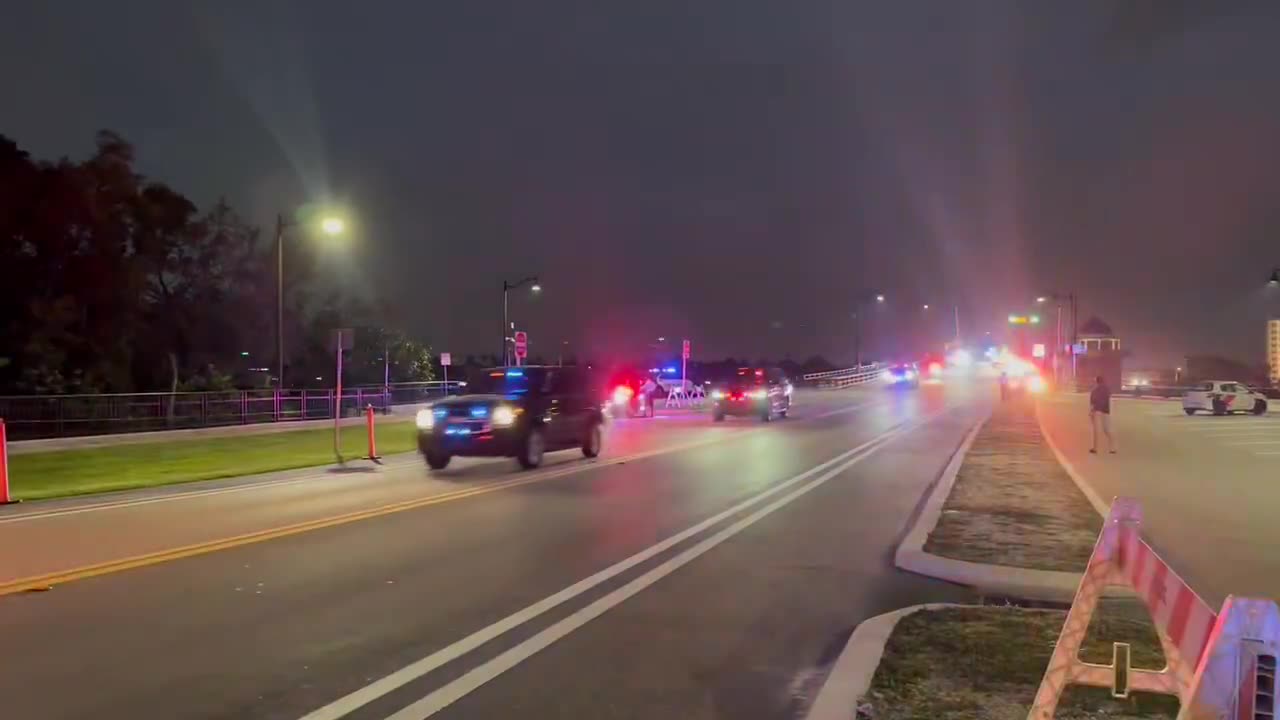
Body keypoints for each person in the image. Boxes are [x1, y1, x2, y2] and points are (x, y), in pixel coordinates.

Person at [1089, 375, 1115, 454]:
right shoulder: (1107, 389)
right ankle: (1112, 448)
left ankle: (1095, 448)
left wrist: (1091, 412)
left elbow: (1092, 403)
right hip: (1106, 410)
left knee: (1096, 430)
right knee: (1107, 430)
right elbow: (1110, 399)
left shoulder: (1094, 390)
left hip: (1097, 411)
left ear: (1096, 382)